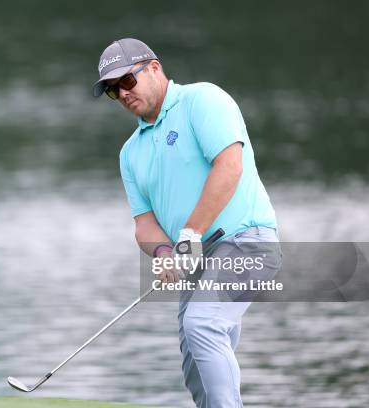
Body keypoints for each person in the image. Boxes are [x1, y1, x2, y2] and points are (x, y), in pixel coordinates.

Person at [93, 38, 282, 407]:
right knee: (194, 354)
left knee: (203, 324)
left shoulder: (202, 100)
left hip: (248, 240)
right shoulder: (131, 152)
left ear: (153, 68)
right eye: (114, 91)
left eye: (127, 81)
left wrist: (189, 234)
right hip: (193, 258)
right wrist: (164, 251)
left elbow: (229, 167)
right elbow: (144, 223)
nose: (123, 94)